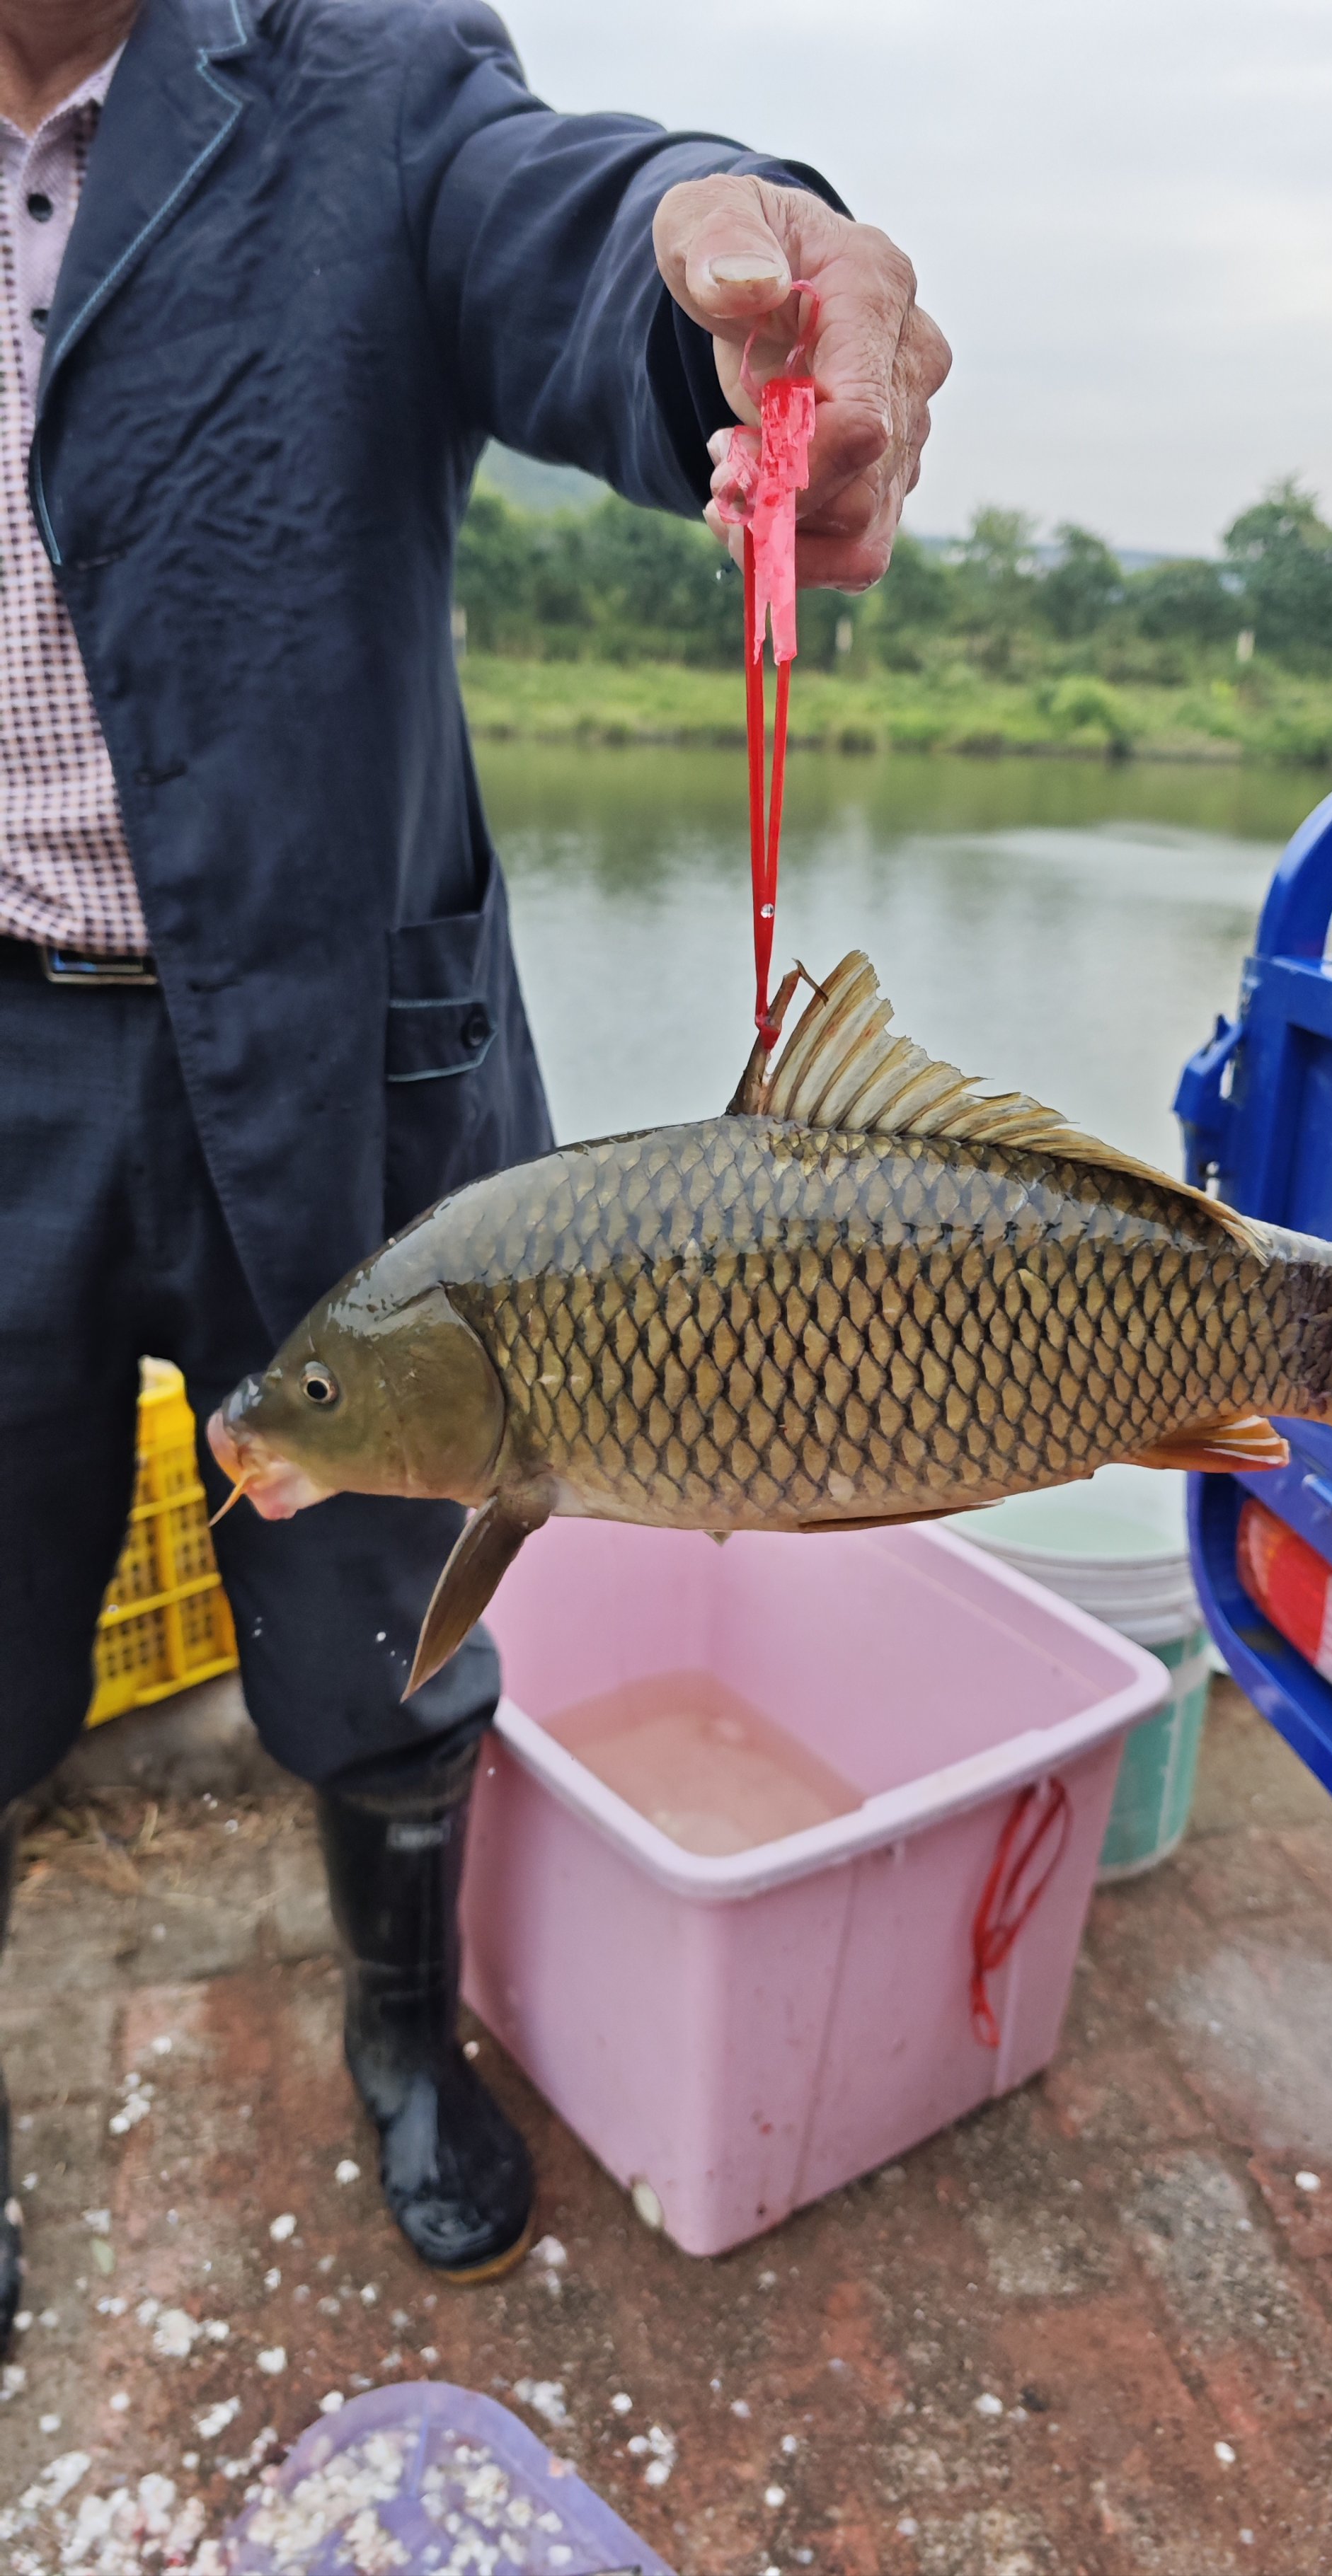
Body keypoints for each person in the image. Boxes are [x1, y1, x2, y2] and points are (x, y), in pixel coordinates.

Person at [0, 0, 950, 2337]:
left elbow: (571, 226)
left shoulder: (361, 68)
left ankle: (406, 2034)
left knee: (384, 1630)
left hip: (329, 1065)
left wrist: (737, 272)